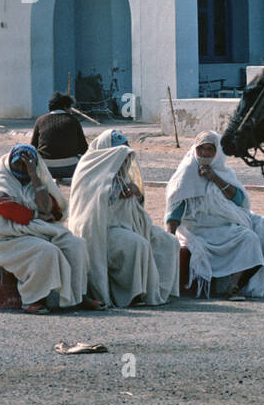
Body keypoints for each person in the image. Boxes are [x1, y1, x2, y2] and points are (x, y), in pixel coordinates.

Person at [0, 144, 104, 314]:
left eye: (28, 165)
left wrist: (34, 176)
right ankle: (33, 300)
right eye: (19, 164)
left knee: (76, 245)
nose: (22, 168)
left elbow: (48, 209)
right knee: (46, 251)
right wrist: (35, 216)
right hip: (5, 237)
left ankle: (78, 296)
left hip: (35, 229)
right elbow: (6, 208)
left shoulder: (36, 178)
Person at [164, 130, 264, 299]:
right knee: (248, 237)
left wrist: (214, 178)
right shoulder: (186, 175)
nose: (204, 153)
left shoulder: (222, 171)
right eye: (201, 149)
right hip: (205, 226)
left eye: (209, 149)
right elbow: (174, 212)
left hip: (233, 216)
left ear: (217, 152)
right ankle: (233, 287)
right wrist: (169, 240)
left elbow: (239, 200)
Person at [67, 130, 181, 307]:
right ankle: (133, 295)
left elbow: (136, 207)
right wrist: (116, 191)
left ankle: (161, 292)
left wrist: (136, 192)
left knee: (169, 241)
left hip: (130, 225)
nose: (126, 161)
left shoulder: (121, 172)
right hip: (103, 230)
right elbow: (94, 207)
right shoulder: (90, 168)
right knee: (137, 244)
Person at [30, 92, 89, 181]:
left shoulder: (40, 120)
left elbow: (33, 147)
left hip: (46, 169)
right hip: (70, 168)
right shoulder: (73, 120)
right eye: (70, 107)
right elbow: (84, 148)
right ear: (65, 106)